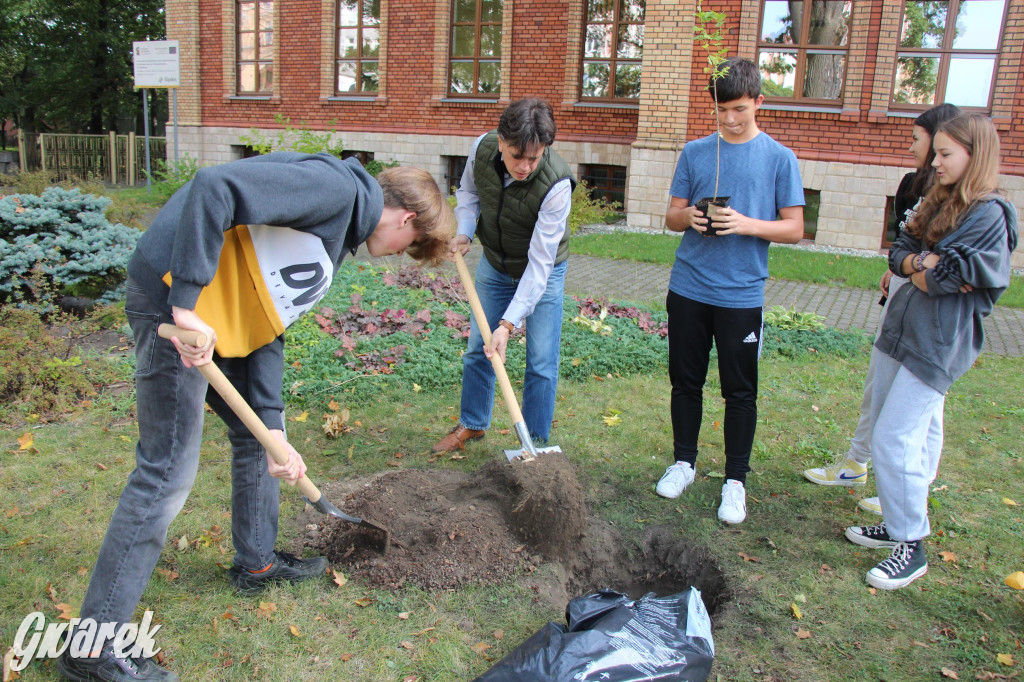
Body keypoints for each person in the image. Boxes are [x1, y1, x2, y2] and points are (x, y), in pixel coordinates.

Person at [60, 152, 454, 682]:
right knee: (165, 473)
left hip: (216, 315)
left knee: (257, 440)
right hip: (173, 307)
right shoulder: (334, 191)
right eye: (413, 247)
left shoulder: (336, 236)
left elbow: (267, 319)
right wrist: (184, 302)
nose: (399, 257)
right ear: (407, 219)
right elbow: (214, 186)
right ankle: (91, 648)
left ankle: (257, 563)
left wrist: (272, 424)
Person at [844, 114, 1017, 590]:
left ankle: (911, 546)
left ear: (974, 155)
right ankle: (897, 525)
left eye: (946, 155)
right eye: (935, 152)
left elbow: (946, 277)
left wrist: (923, 267)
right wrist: (923, 261)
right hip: (899, 331)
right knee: (886, 430)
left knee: (895, 439)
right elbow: (900, 250)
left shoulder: (990, 214)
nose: (935, 163)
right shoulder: (937, 198)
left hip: (937, 345)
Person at [655, 57, 805, 524]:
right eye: (721, 109)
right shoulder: (696, 152)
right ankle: (684, 463)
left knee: (740, 392)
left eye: (740, 108)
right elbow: (671, 216)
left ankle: (735, 481)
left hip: (741, 296)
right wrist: (693, 218)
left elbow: (795, 228)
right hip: (689, 288)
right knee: (686, 382)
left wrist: (745, 224)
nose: (730, 119)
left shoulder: (780, 158)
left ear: (759, 102)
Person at [803, 103, 962, 515]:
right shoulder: (915, 184)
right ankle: (856, 463)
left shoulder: (962, 199)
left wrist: (916, 266)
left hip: (931, 313)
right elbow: (904, 244)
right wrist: (902, 268)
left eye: (917, 140)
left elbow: (949, 265)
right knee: (879, 384)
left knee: (924, 405)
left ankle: (914, 487)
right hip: (901, 297)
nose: (912, 148)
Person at [431, 98, 574, 453]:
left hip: (544, 271)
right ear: (500, 140)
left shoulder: (557, 185)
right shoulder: (482, 149)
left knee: (541, 360)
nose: (524, 166)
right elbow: (469, 191)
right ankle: (473, 424)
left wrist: (508, 325)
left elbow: (540, 264)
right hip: (495, 263)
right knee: (479, 348)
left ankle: (535, 445)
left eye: (534, 158)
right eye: (516, 156)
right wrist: (464, 230)